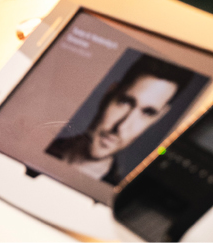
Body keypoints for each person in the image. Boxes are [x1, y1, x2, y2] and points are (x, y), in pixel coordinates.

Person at [45, 56, 189, 186]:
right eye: (125, 102)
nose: (121, 127)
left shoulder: (112, 196)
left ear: (157, 119)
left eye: (147, 112)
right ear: (109, 94)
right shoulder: (39, 145)